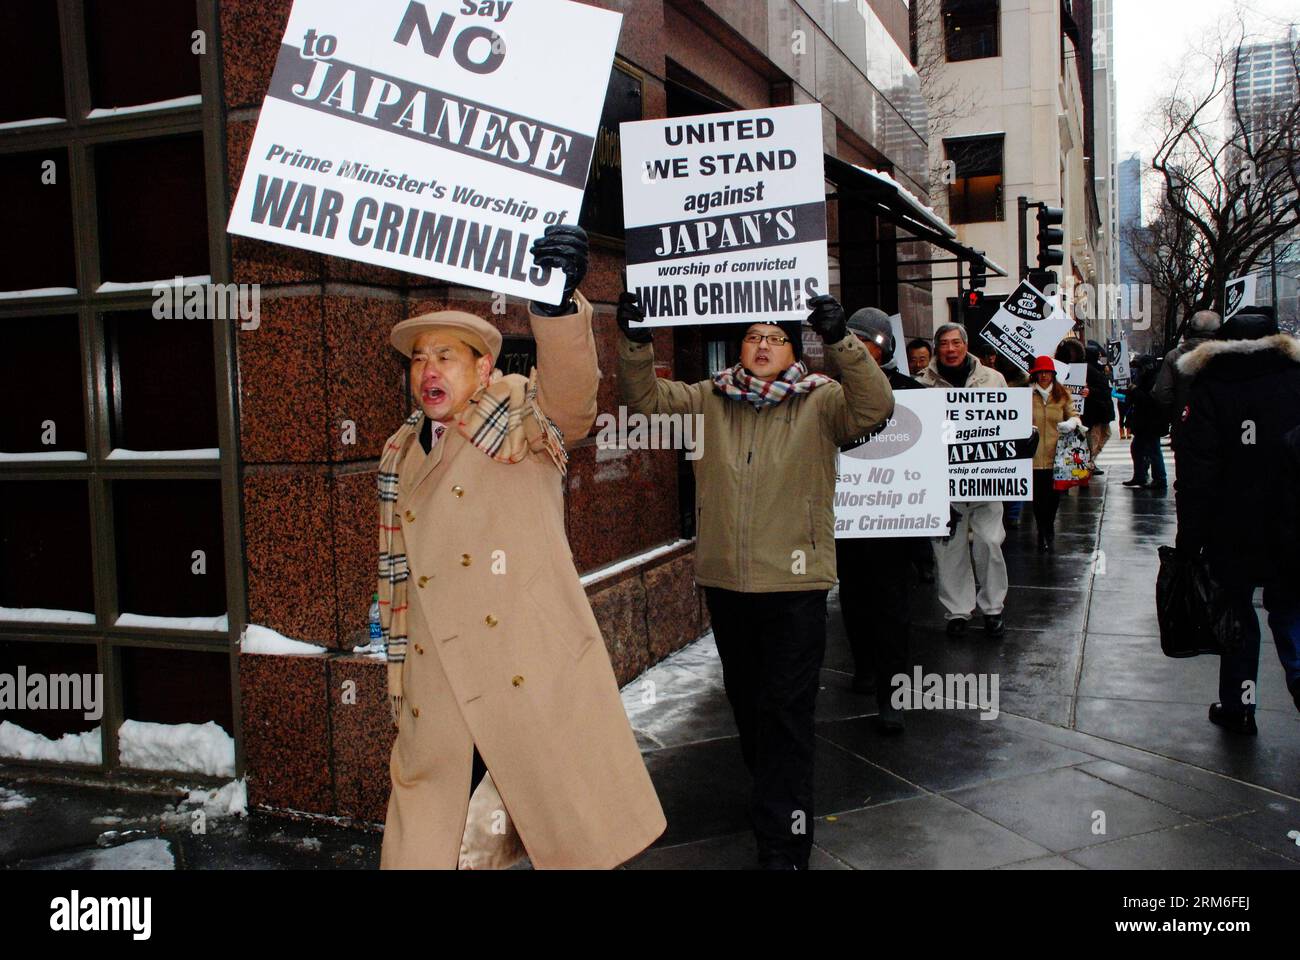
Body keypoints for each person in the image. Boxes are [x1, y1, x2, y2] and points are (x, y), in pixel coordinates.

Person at [378, 225, 665, 869]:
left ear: (483, 368)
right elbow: (400, 578)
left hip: (524, 673)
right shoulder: (398, 451)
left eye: (445, 357)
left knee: (548, 833)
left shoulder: (520, 420)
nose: (429, 370)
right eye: (419, 359)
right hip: (439, 690)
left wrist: (561, 305)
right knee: (431, 846)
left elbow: (572, 401)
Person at [617, 290, 893, 870]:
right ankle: (772, 795)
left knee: (786, 713)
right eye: (752, 337)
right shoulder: (708, 398)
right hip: (728, 585)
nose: (762, 345)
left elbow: (875, 408)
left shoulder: (824, 401)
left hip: (795, 588)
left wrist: (841, 339)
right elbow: (642, 399)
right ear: (739, 348)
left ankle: (784, 841)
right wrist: (637, 340)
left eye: (776, 337)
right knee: (749, 708)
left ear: (794, 348)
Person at [1174, 309, 1300, 732]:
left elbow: (1197, 473)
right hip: (1291, 520)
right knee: (1291, 611)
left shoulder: (1210, 386)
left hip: (1232, 524)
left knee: (1238, 615)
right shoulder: (1294, 379)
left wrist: (1191, 538)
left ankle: (1240, 705)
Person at [835, 308, 922, 733]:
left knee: (892, 608)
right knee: (854, 598)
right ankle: (866, 664)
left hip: (894, 523)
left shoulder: (910, 390)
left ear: (884, 347)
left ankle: (892, 692)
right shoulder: (830, 392)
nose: (859, 349)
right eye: (851, 339)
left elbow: (937, 453)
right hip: (845, 522)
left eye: (866, 341)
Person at [917, 322, 1009, 638]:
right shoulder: (921, 385)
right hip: (942, 481)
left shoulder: (993, 380)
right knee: (948, 549)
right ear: (936, 348)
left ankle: (993, 608)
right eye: (944, 343)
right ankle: (957, 610)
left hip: (985, 478)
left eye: (956, 342)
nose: (951, 349)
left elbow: (1006, 424)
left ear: (965, 345)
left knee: (989, 542)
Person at [1026, 355, 1082, 552]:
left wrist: (1071, 423)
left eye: (1047, 372)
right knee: (1037, 499)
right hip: (1032, 458)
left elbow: (1074, 416)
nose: (1043, 376)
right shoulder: (1026, 395)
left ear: (1053, 374)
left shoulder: (1062, 395)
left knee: (1053, 498)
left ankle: (1048, 527)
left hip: (1056, 456)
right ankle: (1042, 530)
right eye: (1040, 372)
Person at [1152, 309, 1221, 448]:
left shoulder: (1174, 356)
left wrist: (1177, 413)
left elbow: (1161, 393)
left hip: (1184, 426)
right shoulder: (1224, 355)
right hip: (1219, 427)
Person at [1121, 355, 1168, 492]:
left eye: (1139, 367)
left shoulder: (1155, 380)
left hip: (1152, 421)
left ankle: (1159, 478)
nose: (1137, 370)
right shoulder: (1143, 378)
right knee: (1138, 448)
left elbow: (1149, 401)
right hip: (1143, 421)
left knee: (1154, 450)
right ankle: (1140, 475)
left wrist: (1134, 390)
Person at [1082, 341, 1116, 474]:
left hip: (1102, 409)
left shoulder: (1097, 368)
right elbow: (1100, 388)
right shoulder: (1089, 369)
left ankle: (1090, 460)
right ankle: (1089, 462)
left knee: (1105, 435)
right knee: (1095, 438)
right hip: (1095, 411)